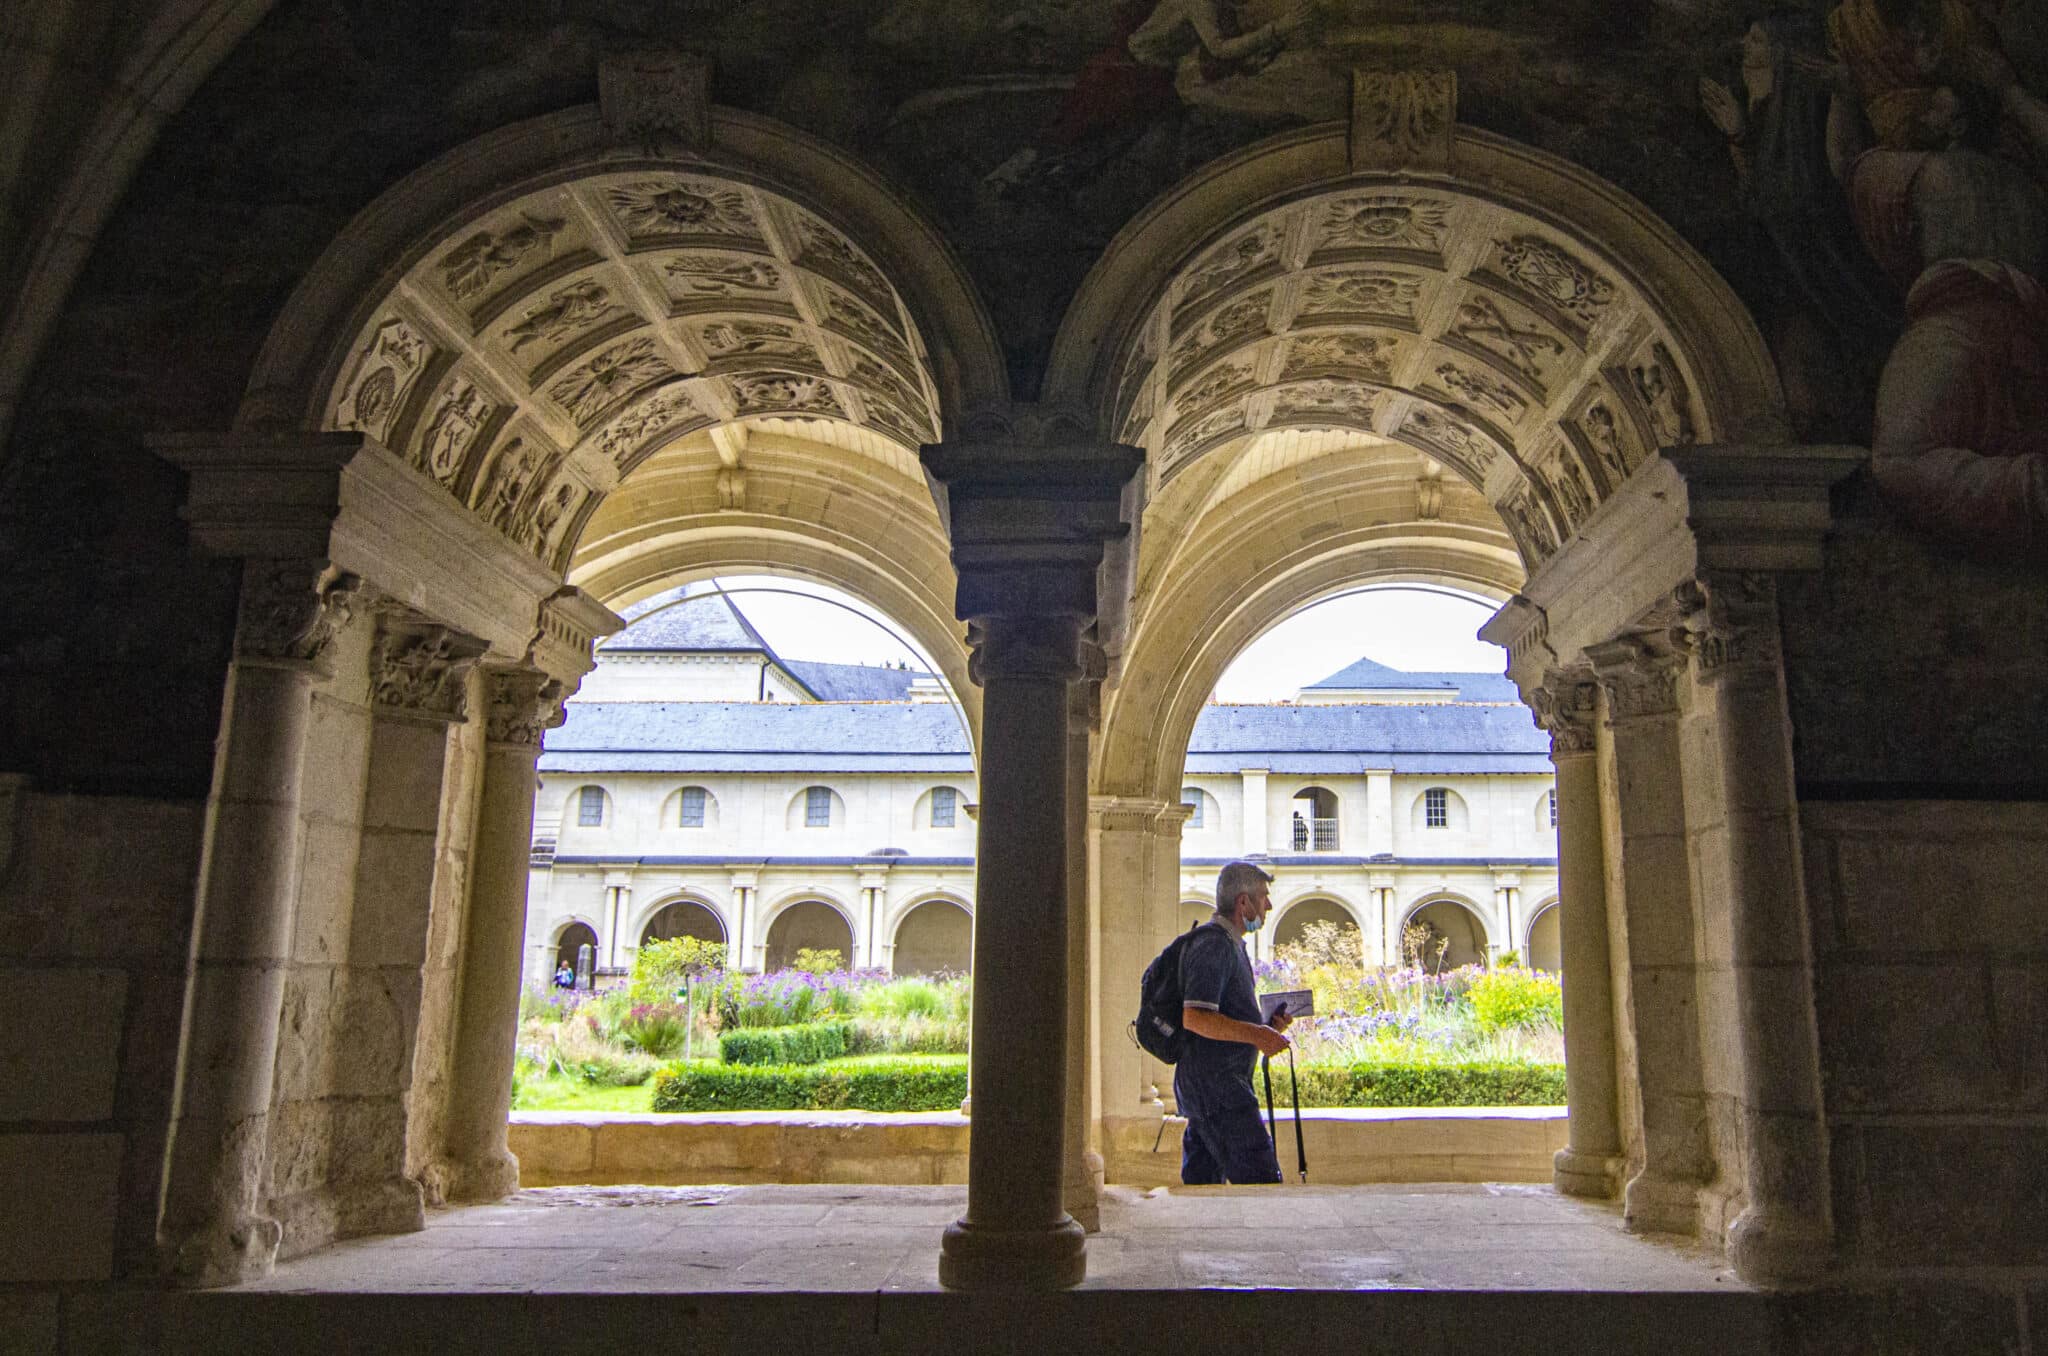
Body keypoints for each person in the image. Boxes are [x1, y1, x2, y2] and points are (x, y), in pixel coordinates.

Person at [1176, 859, 1293, 1184]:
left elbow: (1221, 1015)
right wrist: (1258, 1034)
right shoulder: (1215, 946)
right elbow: (1195, 1017)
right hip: (1220, 1092)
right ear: (1244, 902)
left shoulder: (1230, 946)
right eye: (1263, 896)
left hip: (1211, 1090)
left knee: (1202, 1190)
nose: (1268, 904)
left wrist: (1266, 1027)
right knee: (1262, 1184)